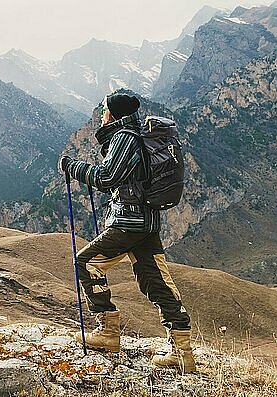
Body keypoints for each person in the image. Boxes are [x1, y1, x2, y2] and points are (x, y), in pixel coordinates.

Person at [58, 93, 196, 373]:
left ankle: (108, 331)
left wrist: (72, 167)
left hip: (129, 221)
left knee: (87, 263)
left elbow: (108, 177)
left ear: (113, 113)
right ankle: (182, 351)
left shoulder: (124, 137)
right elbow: (121, 179)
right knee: (155, 280)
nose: (100, 114)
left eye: (103, 109)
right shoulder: (137, 135)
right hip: (147, 222)